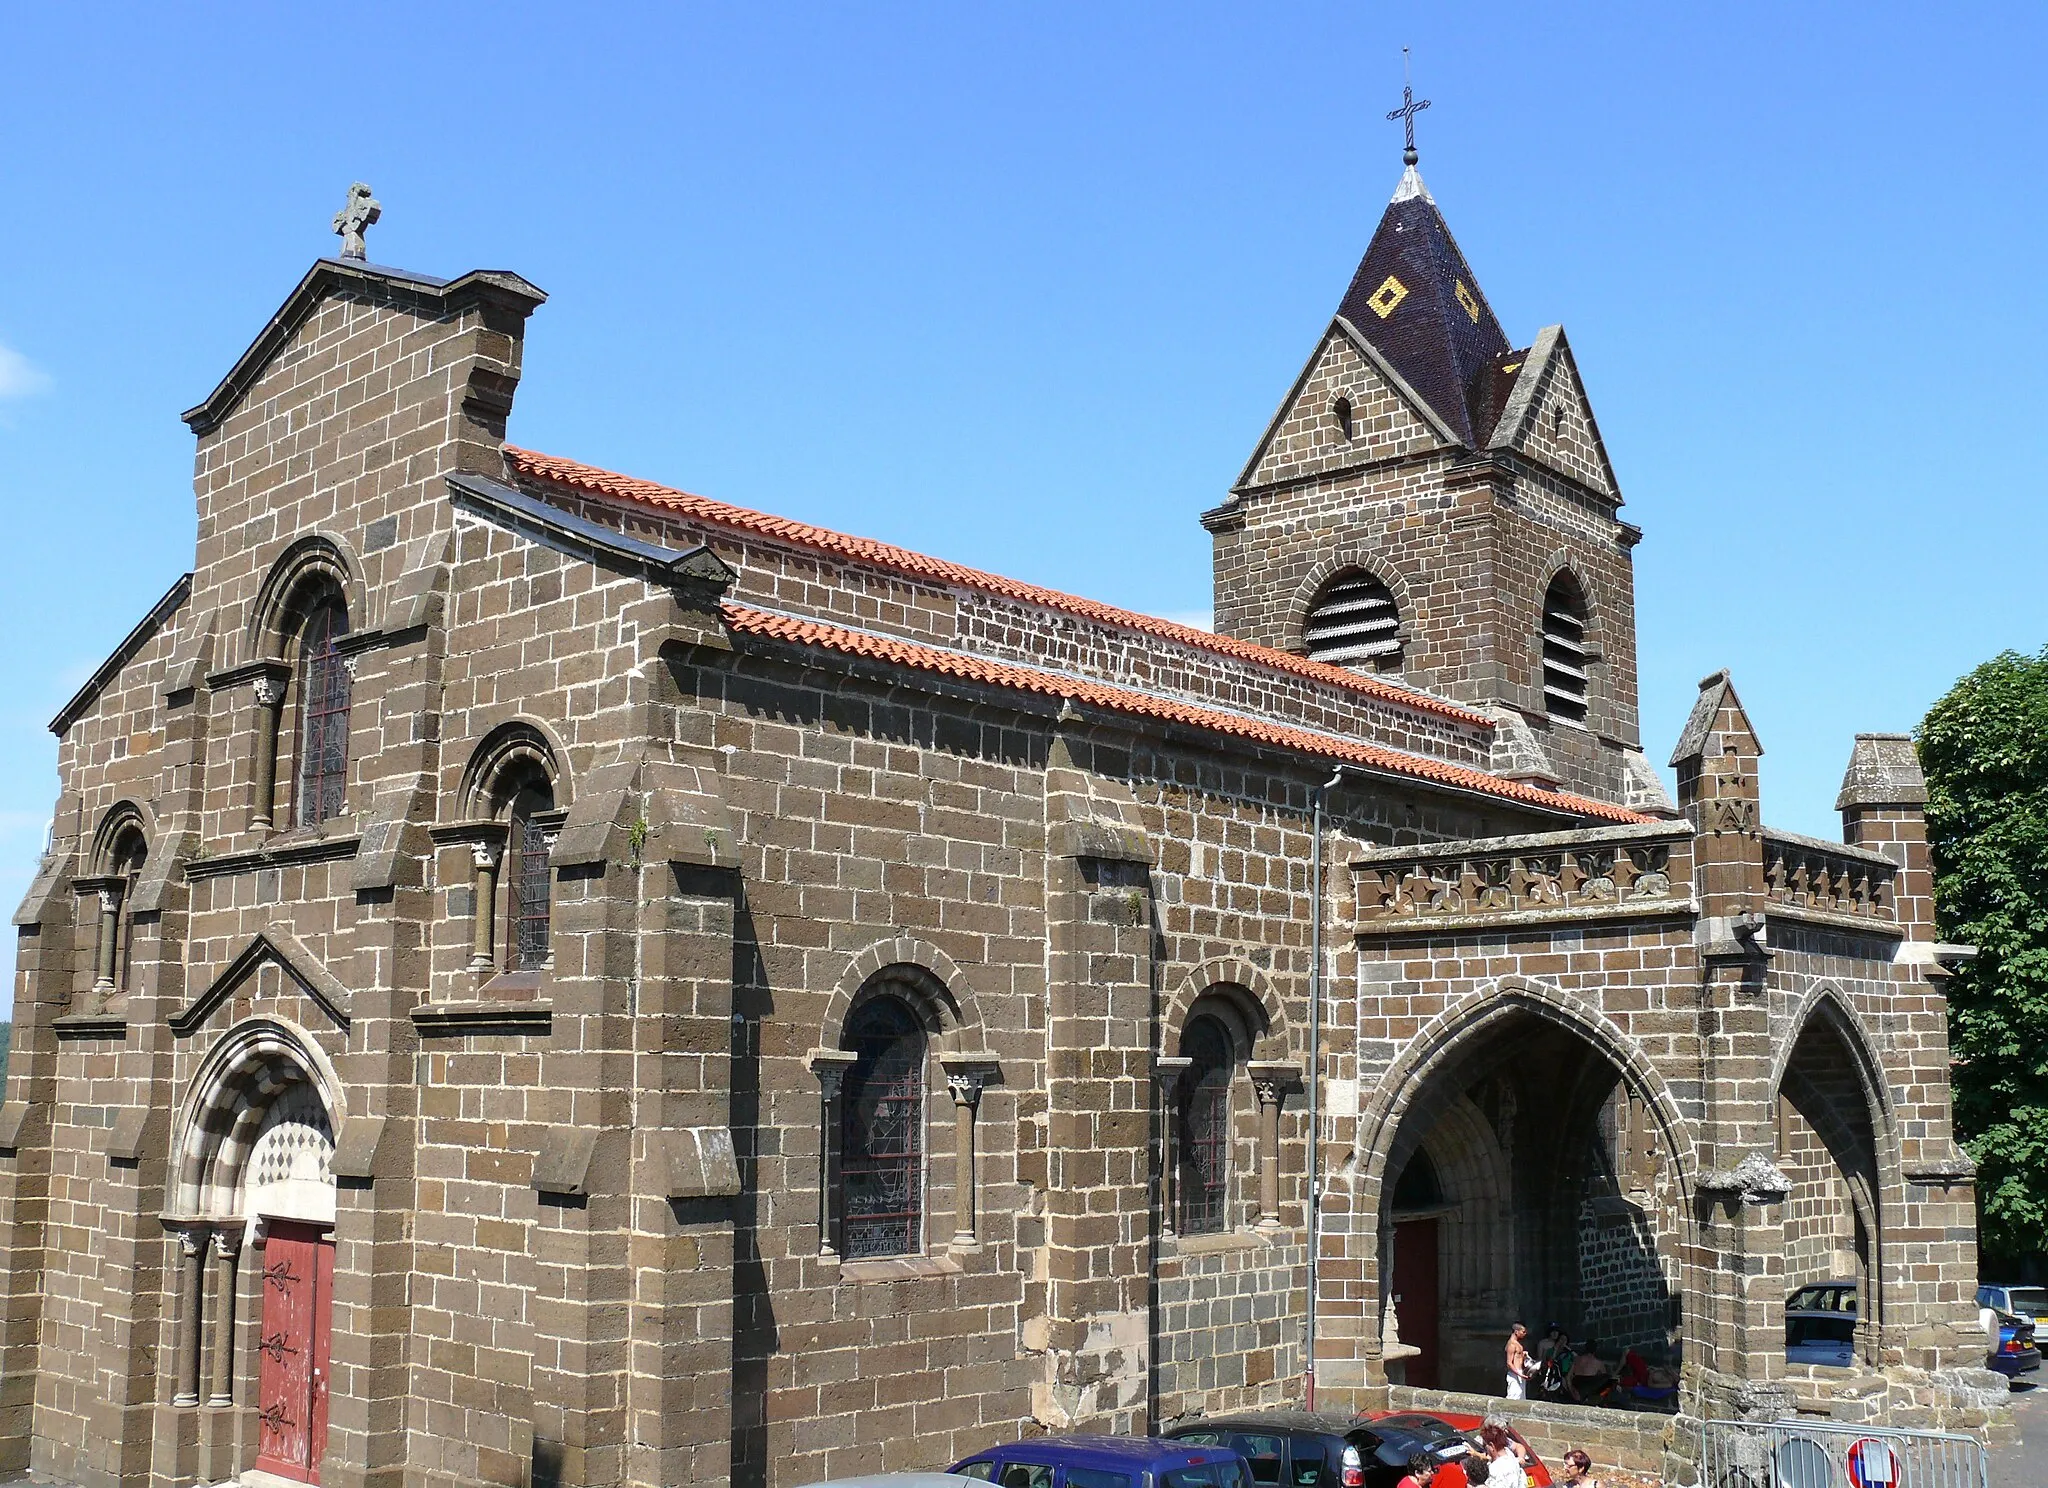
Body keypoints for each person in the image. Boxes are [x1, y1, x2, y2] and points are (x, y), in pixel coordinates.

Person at [1479, 1423, 1527, 1488]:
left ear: (1491, 1445)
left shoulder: (1496, 1470)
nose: (1486, 1449)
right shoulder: (1510, 1455)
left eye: (1485, 1445)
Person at [1567, 1338, 1614, 1404]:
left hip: (1578, 1386)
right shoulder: (1598, 1363)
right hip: (1589, 1389)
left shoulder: (1576, 1360)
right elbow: (1605, 1379)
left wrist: (1571, 1390)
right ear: (1595, 1350)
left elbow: (1568, 1377)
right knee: (1609, 1381)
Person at [1504, 1321, 1532, 1399]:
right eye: (1523, 1332)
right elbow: (1509, 1363)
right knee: (1513, 1396)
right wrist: (1519, 1374)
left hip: (1520, 1372)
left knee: (1521, 1397)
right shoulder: (1511, 1345)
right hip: (1515, 1374)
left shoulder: (1517, 1344)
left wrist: (1523, 1355)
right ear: (1516, 1332)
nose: (1525, 1334)